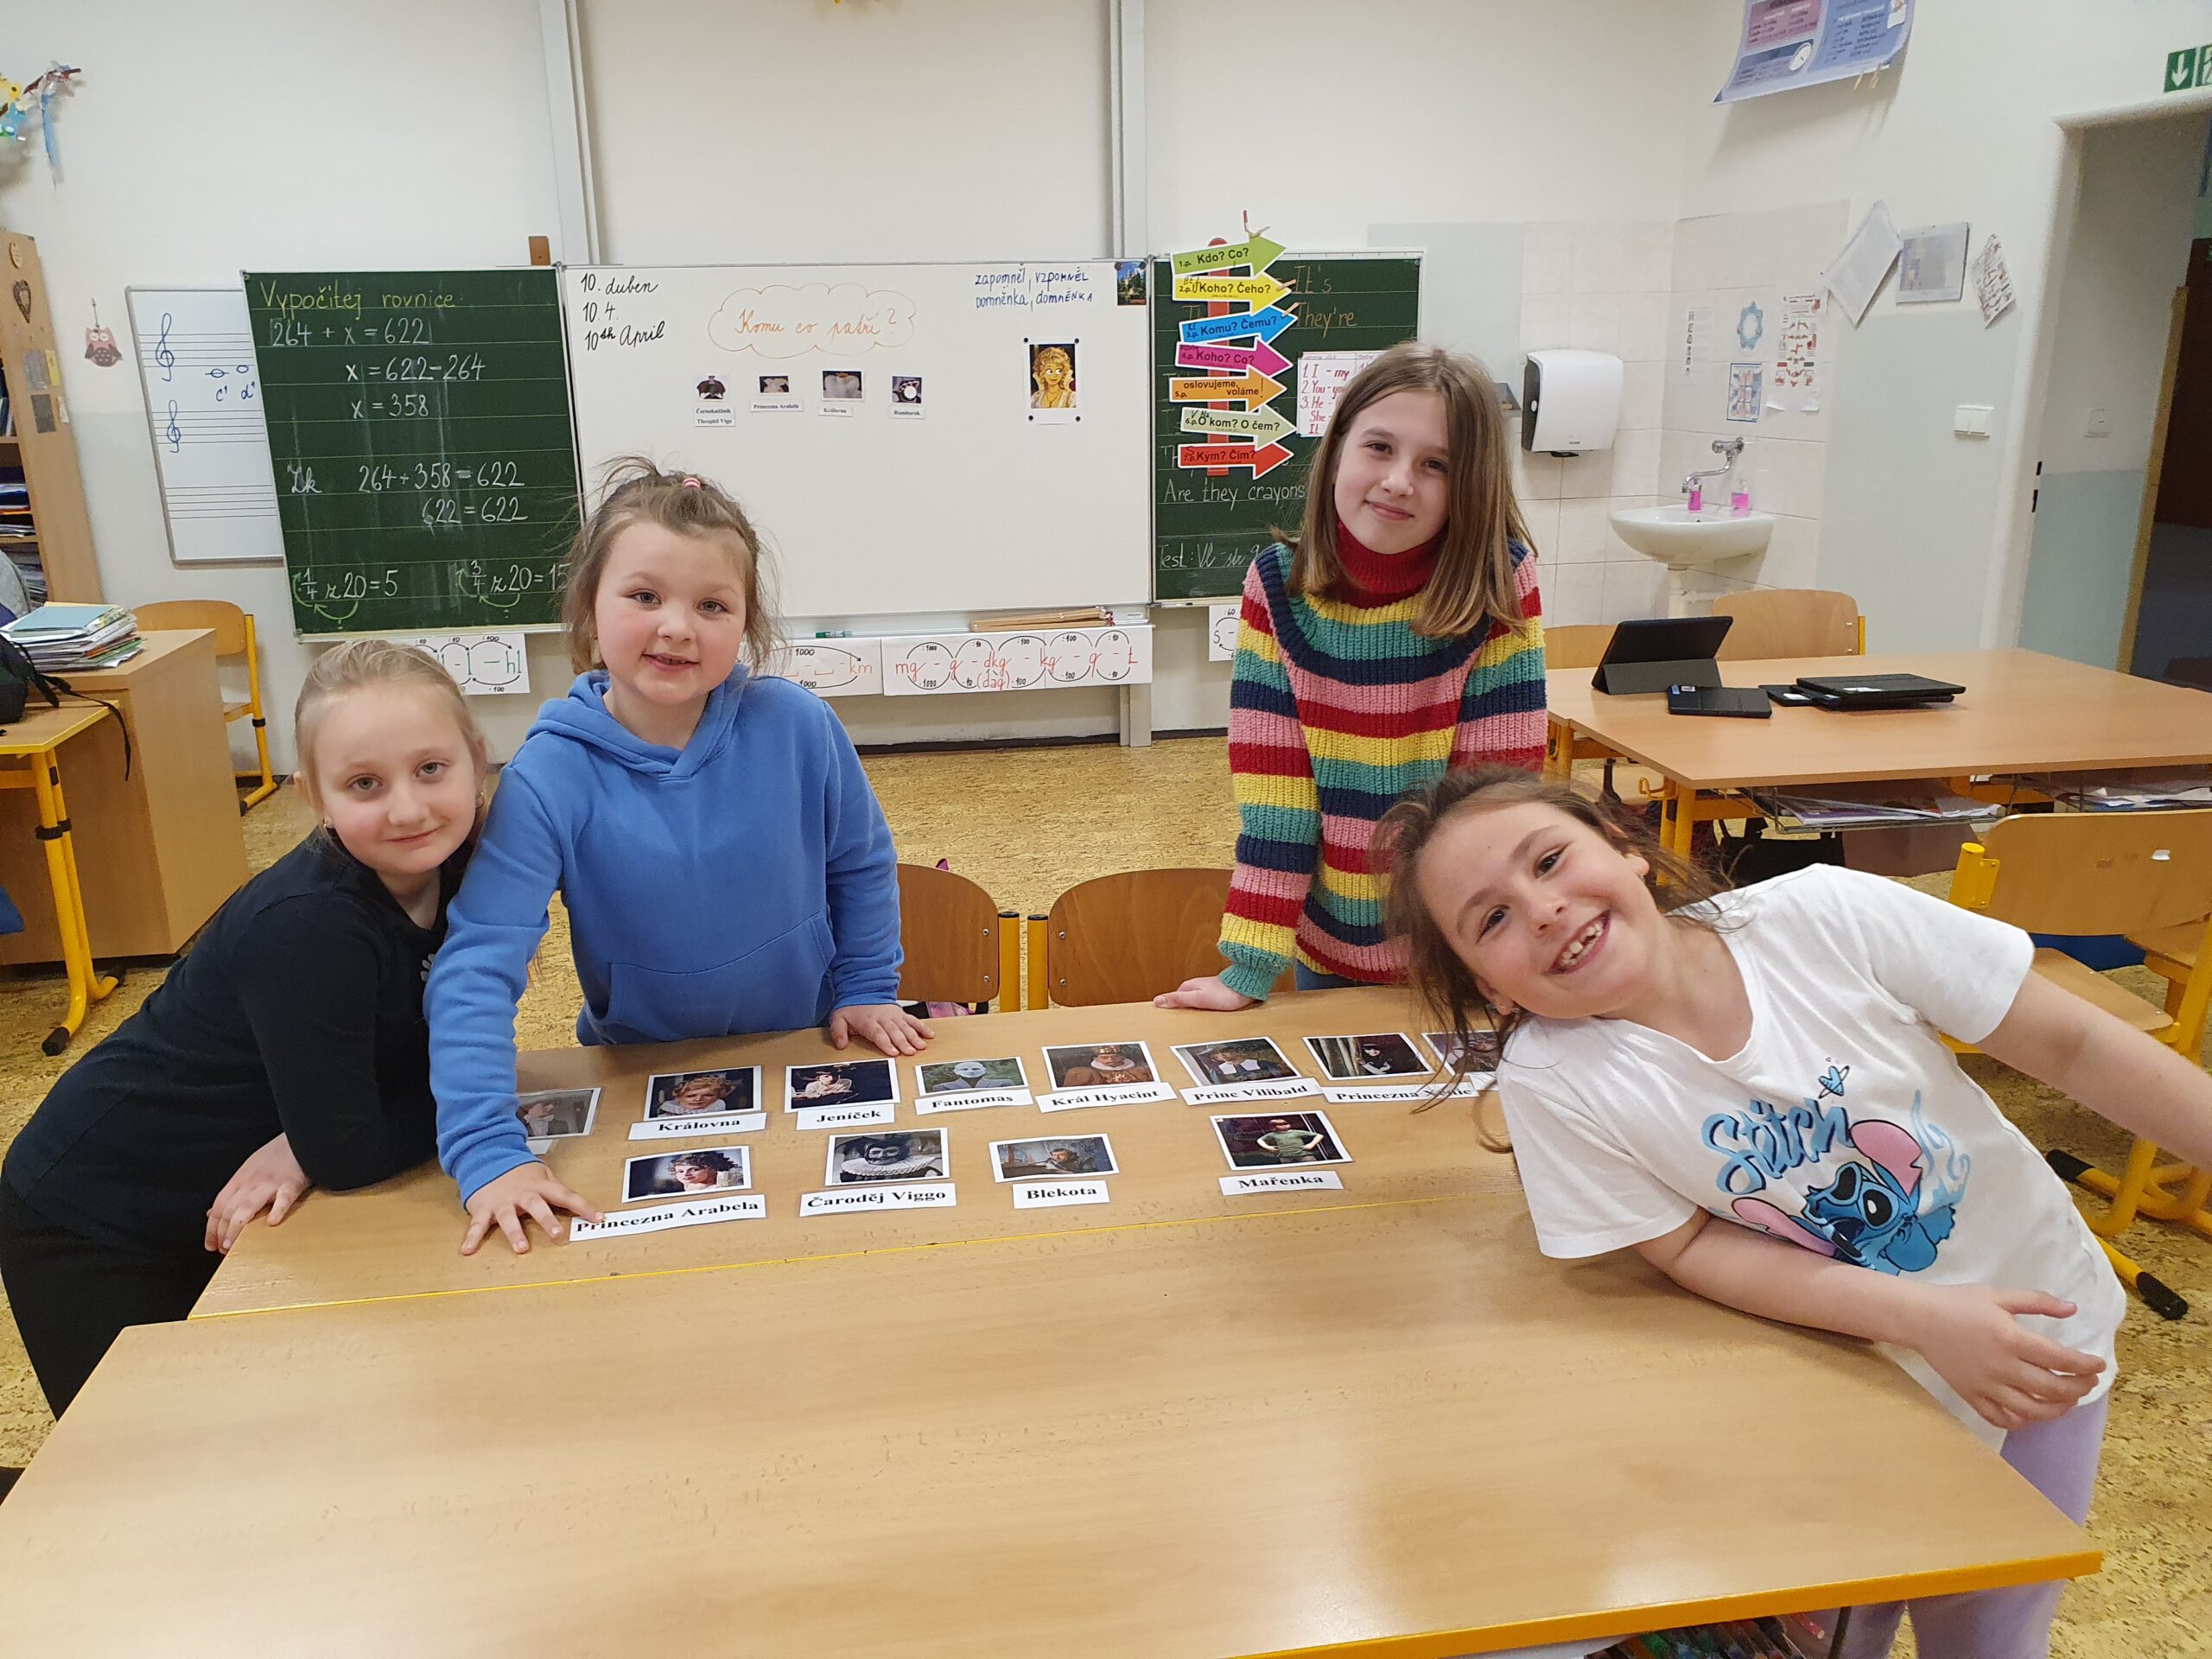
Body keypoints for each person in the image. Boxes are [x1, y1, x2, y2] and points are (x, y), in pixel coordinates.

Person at [1381, 765, 2212, 1659]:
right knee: (1836, 1629)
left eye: (1548, 861)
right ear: (1491, 989)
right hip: (1843, 1393)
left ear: (1625, 849)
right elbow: (1688, 1246)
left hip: (2039, 1335)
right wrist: (1919, 1317)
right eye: (1492, 920)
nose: (1542, 910)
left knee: (1991, 1627)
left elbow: (2075, 1044)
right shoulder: (1552, 1077)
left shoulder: (1827, 913)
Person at [429, 460, 926, 1255]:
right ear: (589, 609)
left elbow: (860, 864)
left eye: (712, 605)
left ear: (746, 625)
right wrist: (489, 1153)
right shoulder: (548, 774)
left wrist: (868, 986)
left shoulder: (798, 725)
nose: (677, 627)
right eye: (644, 596)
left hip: (803, 1052)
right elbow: (476, 968)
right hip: (642, 1075)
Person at [0, 639, 489, 1415]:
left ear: (478, 761)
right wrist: (337, 1135)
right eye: (364, 783)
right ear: (314, 796)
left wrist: (311, 1137)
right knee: (144, 1461)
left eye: (431, 768)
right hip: (98, 1216)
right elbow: (350, 1152)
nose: (407, 808)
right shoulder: (311, 924)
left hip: (239, 1197)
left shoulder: (463, 865)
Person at [1156, 343, 1547, 1012]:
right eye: (1379, 447)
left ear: (1472, 484)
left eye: (1436, 465)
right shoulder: (1277, 586)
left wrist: (1495, 957)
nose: (1398, 481)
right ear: (1337, 449)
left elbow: (1497, 801)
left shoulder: (1498, 582)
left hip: (1464, 952)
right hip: (1331, 948)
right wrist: (1248, 969)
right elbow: (1276, 795)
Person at [835, 1135, 944, 1183]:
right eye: (875, 1153)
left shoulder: (925, 1171)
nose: (882, 1156)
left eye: (891, 1151)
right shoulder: (851, 1175)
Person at [1059, 1046, 1152, 1087]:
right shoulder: (1085, 1073)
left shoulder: (1143, 1070)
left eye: (1115, 1057)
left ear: (1123, 1057)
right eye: (1105, 1057)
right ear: (1096, 1059)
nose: (1111, 1060)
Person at [655, 1073, 741, 1116]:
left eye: (708, 1095)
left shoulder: (723, 1112)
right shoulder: (663, 1115)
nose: (698, 1099)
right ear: (678, 1097)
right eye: (691, 1096)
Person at [1252, 1119, 1325, 1164]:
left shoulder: (1296, 1132)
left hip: (1303, 1155)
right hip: (1285, 1156)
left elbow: (1319, 1135)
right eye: (1280, 1125)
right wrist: (1268, 1147)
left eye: (1286, 1124)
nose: (1285, 1126)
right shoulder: (1273, 1134)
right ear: (1273, 1126)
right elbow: (1260, 1140)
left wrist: (1311, 1144)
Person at [1029, 345, 1075, 409]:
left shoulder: (1071, 397)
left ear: (1063, 372)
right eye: (1049, 371)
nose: (1054, 375)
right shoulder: (1035, 397)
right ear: (1042, 373)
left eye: (1058, 371)